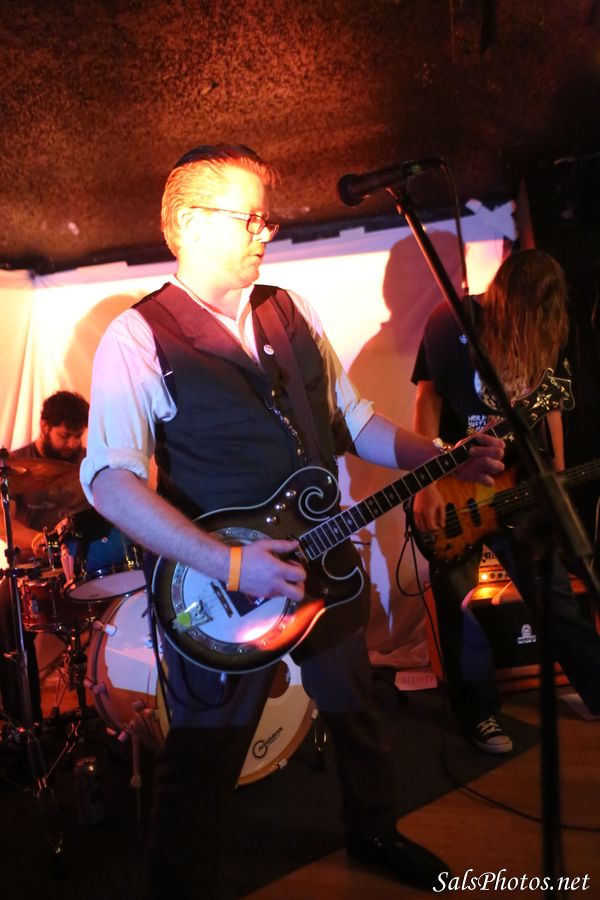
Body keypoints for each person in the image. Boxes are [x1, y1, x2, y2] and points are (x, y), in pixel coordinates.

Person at [80, 144, 504, 898]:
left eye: (265, 217)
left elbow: (354, 421)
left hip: (326, 564)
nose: (265, 231)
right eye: (248, 217)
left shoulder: (290, 310)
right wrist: (228, 563)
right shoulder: (137, 337)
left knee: (357, 713)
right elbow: (111, 484)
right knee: (203, 758)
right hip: (224, 593)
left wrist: (442, 455)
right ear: (190, 225)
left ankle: (374, 831)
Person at [410, 248, 600, 755]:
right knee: (459, 606)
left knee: (556, 600)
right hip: (457, 487)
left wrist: (557, 479)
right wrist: (425, 480)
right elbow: (427, 398)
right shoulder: (452, 320)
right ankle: (478, 713)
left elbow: (552, 409)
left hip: (521, 486)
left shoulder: (547, 333)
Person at [0, 390, 89, 724]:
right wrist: (38, 540)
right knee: (5, 612)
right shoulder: (15, 466)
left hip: (84, 565)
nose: (72, 444)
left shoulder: (88, 461)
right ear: (44, 427)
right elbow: (3, 522)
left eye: (78, 435)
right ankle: (26, 722)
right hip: (35, 570)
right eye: (65, 436)